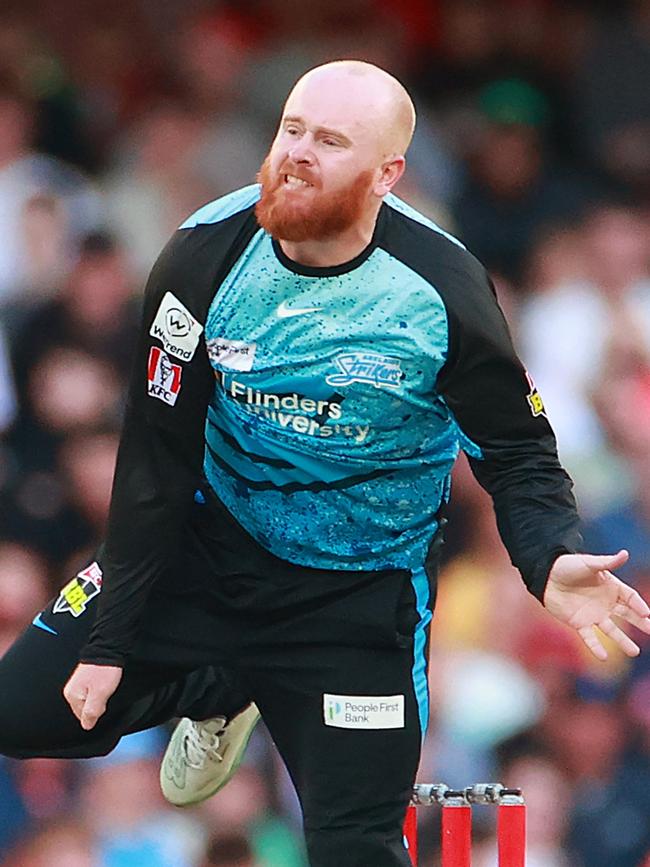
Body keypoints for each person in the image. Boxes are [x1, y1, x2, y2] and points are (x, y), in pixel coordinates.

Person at [1, 61, 649, 867]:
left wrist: (547, 555)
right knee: (18, 711)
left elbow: (518, 449)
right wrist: (110, 644)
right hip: (209, 544)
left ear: (388, 175)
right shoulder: (201, 256)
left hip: (359, 597)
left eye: (331, 141)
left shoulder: (442, 293)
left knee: (355, 850)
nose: (299, 153)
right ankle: (217, 685)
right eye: (292, 129)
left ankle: (247, 684)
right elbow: (153, 463)